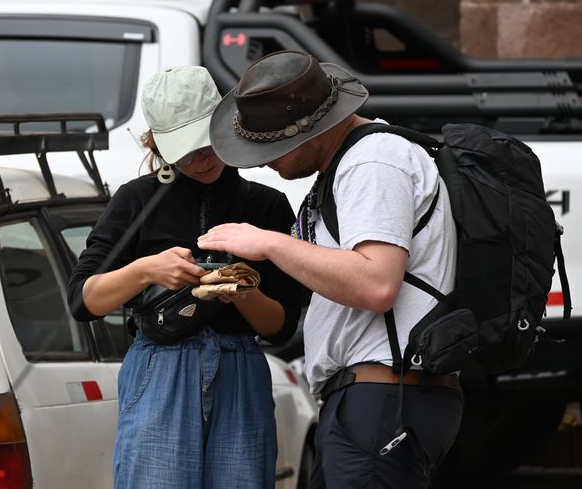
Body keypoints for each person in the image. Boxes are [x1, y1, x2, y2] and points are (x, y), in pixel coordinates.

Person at [198, 50, 464, 488]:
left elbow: (377, 283)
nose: (263, 161)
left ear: (309, 129)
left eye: (270, 145)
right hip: (373, 397)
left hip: (383, 395)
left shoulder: (371, 163)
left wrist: (269, 242)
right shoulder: (351, 163)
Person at [68, 65, 305, 489]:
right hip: (161, 362)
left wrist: (241, 291)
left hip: (241, 366)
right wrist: (147, 269)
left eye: (207, 143)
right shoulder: (137, 199)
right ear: (158, 144)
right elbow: (84, 301)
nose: (201, 159)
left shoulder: (266, 204)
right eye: (186, 150)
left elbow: (283, 326)